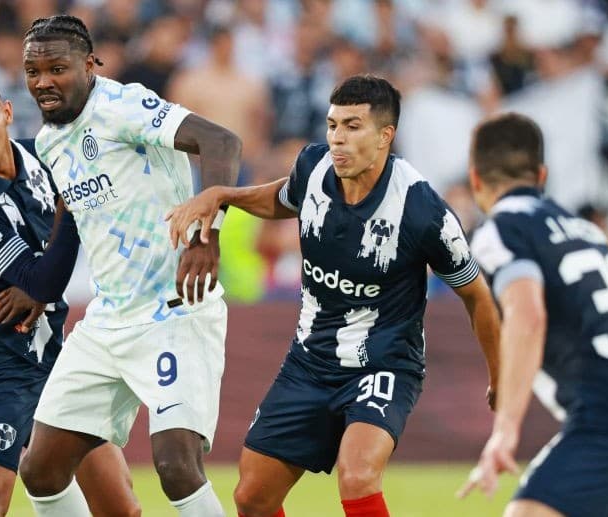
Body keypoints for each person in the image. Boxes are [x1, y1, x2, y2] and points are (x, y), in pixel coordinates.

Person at [165, 75, 501, 517]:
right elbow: (283, 200)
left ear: (386, 136)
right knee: (252, 497)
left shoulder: (422, 211)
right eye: (332, 124)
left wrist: (501, 376)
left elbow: (477, 296)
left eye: (353, 126)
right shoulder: (315, 166)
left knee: (357, 477)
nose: (338, 139)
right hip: (310, 361)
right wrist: (223, 193)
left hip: (383, 364)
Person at [17, 14, 242, 517]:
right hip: (108, 320)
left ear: (90, 65)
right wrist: (41, 285)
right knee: (41, 470)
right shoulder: (51, 141)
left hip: (173, 311)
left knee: (176, 469)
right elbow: (72, 220)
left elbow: (221, 141)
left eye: (57, 68)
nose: (44, 82)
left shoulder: (122, 105)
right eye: (33, 71)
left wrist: (208, 234)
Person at [456, 113, 608, 516]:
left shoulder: (501, 229)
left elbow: (527, 315)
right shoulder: (588, 232)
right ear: (542, 174)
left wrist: (505, 431)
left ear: (476, 178)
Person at [0, 68, 138, 517]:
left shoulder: (44, 157)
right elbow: (42, 281)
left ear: (7, 113)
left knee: (120, 508)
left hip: (60, 359)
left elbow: (46, 277)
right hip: (1, 362)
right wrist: (73, 203)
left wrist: (42, 283)